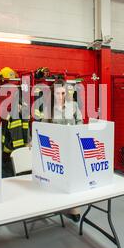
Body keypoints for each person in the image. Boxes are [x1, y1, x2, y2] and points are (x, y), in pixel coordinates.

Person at [42, 79, 83, 222]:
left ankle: (73, 208)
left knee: (73, 179)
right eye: (58, 93)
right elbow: (42, 128)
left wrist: (77, 132)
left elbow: (80, 123)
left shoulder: (74, 106)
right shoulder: (49, 108)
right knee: (57, 179)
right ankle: (55, 205)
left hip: (71, 148)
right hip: (55, 151)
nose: (61, 96)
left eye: (63, 93)